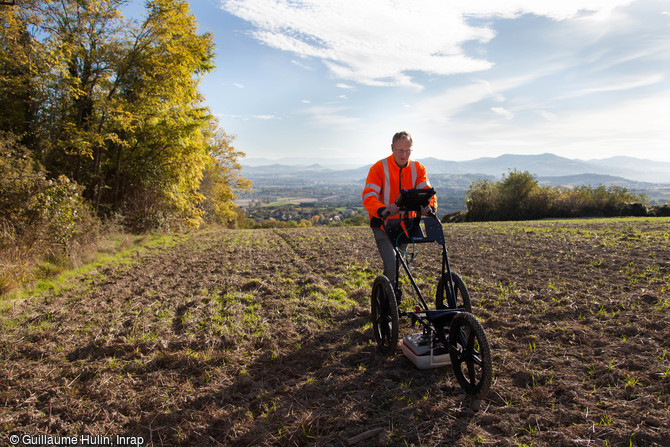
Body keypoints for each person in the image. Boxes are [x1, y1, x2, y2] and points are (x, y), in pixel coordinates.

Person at [362, 131, 437, 291]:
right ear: (392, 148)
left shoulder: (418, 168)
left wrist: (429, 206)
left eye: (407, 151)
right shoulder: (379, 168)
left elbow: (427, 191)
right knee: (391, 264)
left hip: (407, 224)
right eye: (399, 150)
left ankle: (392, 297)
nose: (404, 155)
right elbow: (369, 196)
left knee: (397, 265)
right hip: (383, 223)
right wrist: (383, 210)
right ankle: (382, 300)